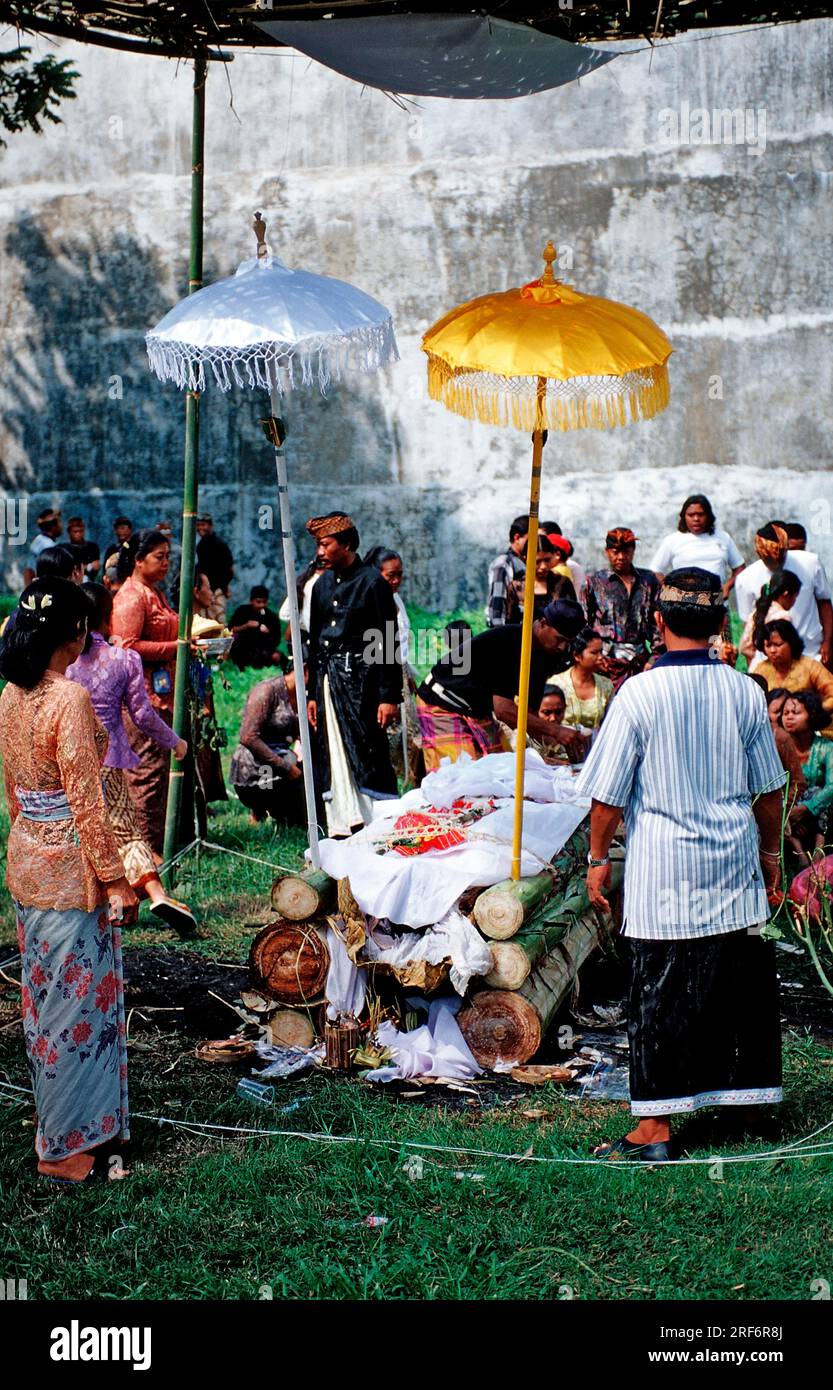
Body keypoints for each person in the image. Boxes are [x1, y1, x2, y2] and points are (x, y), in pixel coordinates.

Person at [577, 567, 785, 1162]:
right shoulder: (746, 690)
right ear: (722, 624)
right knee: (731, 985)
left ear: (658, 622)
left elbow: (608, 797)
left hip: (664, 871)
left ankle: (656, 1130)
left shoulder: (637, 694)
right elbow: (769, 791)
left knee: (659, 994)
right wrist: (770, 857)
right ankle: (743, 1106)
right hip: (732, 860)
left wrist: (597, 861)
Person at [0, 578, 138, 1184]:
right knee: (73, 1008)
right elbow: (87, 802)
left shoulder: (9, 693)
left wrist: (27, 835)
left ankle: (76, 1126)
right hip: (69, 873)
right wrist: (116, 880)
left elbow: (13, 792)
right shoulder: (69, 699)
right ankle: (59, 1149)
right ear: (77, 633)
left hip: (28, 858)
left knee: (46, 1004)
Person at [67, 584, 195, 935]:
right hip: (108, 760)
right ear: (108, 616)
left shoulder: (62, 660)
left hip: (69, 760)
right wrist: (175, 742)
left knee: (82, 831)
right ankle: (155, 892)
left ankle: (102, 902)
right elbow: (142, 714)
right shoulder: (123, 659)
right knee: (125, 832)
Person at [306, 512, 400, 836]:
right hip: (329, 685)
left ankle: (379, 825)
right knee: (332, 750)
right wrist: (313, 694)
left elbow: (387, 641)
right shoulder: (319, 586)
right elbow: (314, 644)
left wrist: (388, 696)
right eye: (318, 545)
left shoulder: (372, 582)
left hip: (365, 683)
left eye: (325, 544)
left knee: (368, 749)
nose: (319, 551)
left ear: (345, 544)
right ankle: (342, 824)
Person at [416, 597, 587, 770]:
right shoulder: (511, 642)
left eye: (568, 642)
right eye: (559, 639)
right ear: (543, 623)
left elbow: (528, 714)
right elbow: (504, 711)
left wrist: (556, 749)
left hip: (477, 709)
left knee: (502, 774)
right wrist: (556, 731)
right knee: (462, 779)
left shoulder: (547, 654)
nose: (562, 647)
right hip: (442, 703)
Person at [111, 530, 180, 854]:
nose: (167, 563)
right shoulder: (131, 597)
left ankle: (156, 848)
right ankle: (143, 854)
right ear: (138, 561)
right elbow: (126, 646)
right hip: (143, 701)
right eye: (159, 557)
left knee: (158, 775)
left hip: (162, 694)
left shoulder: (153, 592)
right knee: (146, 777)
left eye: (168, 556)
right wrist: (176, 647)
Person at [734, 523, 832, 665]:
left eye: (782, 557)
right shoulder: (745, 579)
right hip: (771, 662)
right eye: (770, 560)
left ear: (786, 548)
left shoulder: (810, 563)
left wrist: (828, 642)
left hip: (812, 653)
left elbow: (825, 603)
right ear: (758, 554)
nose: (777, 563)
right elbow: (749, 627)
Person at [582, 528, 662, 689]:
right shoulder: (595, 583)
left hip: (640, 663)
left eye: (626, 551)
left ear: (633, 551)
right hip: (604, 664)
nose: (620, 557)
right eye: (615, 551)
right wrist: (594, 659)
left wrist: (654, 658)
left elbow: (658, 623)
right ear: (607, 552)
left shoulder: (648, 581)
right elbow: (584, 625)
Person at [229, 670, 305, 826]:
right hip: (256, 770)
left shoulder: (304, 694)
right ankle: (260, 808)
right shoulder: (267, 690)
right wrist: (286, 768)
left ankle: (277, 812)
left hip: (284, 759)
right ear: (304, 671)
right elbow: (248, 737)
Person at [649, 495, 745, 597]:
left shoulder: (723, 537)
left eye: (701, 514)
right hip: (684, 605)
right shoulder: (673, 540)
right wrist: (672, 591)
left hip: (716, 603)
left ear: (708, 515)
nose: (696, 519)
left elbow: (740, 567)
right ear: (684, 517)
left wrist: (727, 587)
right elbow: (655, 570)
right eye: (691, 515)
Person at [754, 620, 833, 738]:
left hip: (813, 732)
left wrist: (810, 714)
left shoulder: (809, 666)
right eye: (768, 645)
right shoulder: (761, 670)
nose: (772, 650)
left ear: (791, 643)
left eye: (777, 644)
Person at [781, 691, 833, 861]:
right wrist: (792, 812)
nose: (788, 717)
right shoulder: (779, 746)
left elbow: (832, 786)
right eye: (785, 713)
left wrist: (806, 809)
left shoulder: (826, 747)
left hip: (819, 813)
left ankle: (819, 853)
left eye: (795, 713)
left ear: (811, 715)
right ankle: (801, 858)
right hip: (789, 811)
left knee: (820, 791)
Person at [548, 628, 613, 731]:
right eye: (594, 653)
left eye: (601, 652)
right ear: (577, 656)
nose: (600, 657)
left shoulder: (606, 685)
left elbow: (610, 723)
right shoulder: (556, 684)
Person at [738, 569, 802, 673]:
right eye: (795, 597)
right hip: (778, 673)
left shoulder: (756, 613)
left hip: (755, 671)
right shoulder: (783, 617)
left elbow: (745, 647)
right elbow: (788, 651)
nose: (794, 602)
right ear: (786, 595)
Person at [509, 534, 575, 624]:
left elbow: (573, 617)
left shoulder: (562, 583)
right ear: (525, 559)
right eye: (537, 562)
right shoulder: (516, 587)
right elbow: (510, 621)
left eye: (547, 560)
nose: (543, 566)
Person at [485, 514, 528, 627]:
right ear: (517, 538)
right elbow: (497, 603)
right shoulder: (504, 563)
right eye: (531, 539)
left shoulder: (528, 564)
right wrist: (500, 634)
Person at [228, 586, 284, 670]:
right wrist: (246, 626)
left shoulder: (271, 617)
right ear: (251, 601)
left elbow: (277, 639)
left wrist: (268, 632)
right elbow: (230, 630)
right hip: (242, 648)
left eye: (264, 602)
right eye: (258, 602)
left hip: (263, 651)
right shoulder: (242, 611)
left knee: (278, 657)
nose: (261, 605)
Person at [195, 514, 234, 624]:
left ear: (210, 526)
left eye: (203, 525)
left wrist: (224, 586)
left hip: (217, 590)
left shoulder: (220, 544)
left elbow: (230, 568)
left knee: (219, 622)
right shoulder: (200, 546)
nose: (200, 528)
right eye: (198, 525)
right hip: (204, 591)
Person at [23, 507, 62, 586]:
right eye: (59, 522)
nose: (61, 525)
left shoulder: (39, 540)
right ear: (53, 526)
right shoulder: (48, 545)